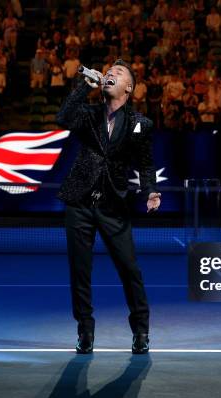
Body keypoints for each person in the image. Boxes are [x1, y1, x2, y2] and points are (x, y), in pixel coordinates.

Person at [56, 59, 161, 355]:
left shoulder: (141, 123)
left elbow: (145, 162)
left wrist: (151, 190)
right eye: (109, 72)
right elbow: (63, 118)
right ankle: (85, 331)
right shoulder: (89, 114)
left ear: (129, 88)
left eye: (119, 73)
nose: (111, 74)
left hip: (113, 205)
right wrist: (82, 88)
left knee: (129, 269)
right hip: (79, 202)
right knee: (80, 271)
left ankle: (141, 331)